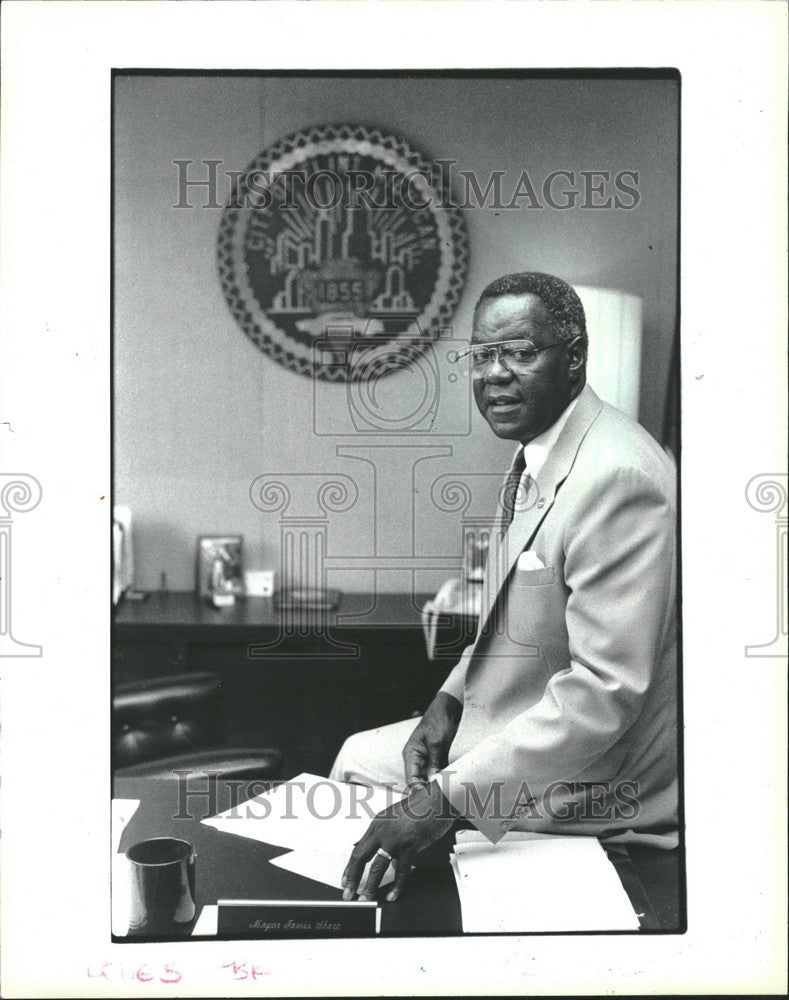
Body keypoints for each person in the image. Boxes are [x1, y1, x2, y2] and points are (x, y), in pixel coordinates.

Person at [333, 271, 678, 903]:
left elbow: (604, 693)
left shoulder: (620, 477)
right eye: (481, 355)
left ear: (574, 357)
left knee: (363, 776)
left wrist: (444, 799)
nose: (493, 374)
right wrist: (447, 701)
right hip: (523, 729)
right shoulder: (538, 451)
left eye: (519, 353)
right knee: (360, 754)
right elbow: (508, 621)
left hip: (597, 778)